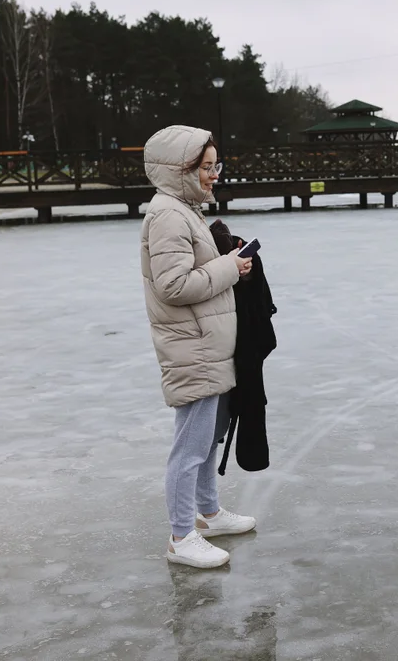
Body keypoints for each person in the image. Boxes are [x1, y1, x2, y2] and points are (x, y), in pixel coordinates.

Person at [140, 125, 257, 569]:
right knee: (190, 446)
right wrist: (228, 267)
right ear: (181, 169)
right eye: (206, 167)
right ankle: (180, 536)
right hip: (191, 346)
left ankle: (208, 513)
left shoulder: (184, 211)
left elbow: (193, 270)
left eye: (215, 166)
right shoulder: (168, 214)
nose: (214, 175)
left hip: (208, 342)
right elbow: (173, 286)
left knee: (209, 438)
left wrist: (230, 259)